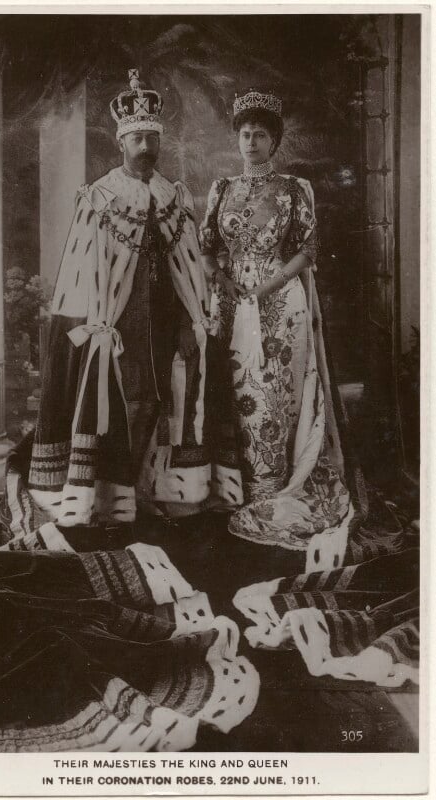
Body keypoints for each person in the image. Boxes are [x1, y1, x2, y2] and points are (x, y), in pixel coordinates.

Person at [27, 69, 214, 528]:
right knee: (121, 407)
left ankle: (152, 492)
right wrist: (93, 326)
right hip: (117, 322)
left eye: (152, 138)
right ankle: (112, 502)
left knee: (160, 403)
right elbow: (80, 273)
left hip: (165, 319)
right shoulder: (100, 196)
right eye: (137, 139)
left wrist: (190, 320)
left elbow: (188, 267)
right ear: (122, 143)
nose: (146, 147)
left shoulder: (172, 195)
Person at [200, 89, 353, 569]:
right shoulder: (222, 188)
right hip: (231, 300)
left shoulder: (293, 189)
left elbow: (308, 249)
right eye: (245, 134)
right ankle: (233, 488)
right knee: (232, 390)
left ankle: (271, 489)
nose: (251, 142)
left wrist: (267, 286)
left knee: (272, 391)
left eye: (260, 135)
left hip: (280, 300)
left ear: (274, 142)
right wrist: (222, 280)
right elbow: (207, 246)